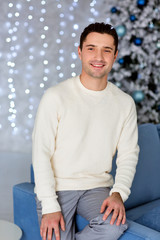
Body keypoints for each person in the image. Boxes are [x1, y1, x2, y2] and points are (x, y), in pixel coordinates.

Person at [32, 22, 139, 240]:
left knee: (113, 226)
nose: (99, 57)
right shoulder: (55, 96)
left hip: (98, 188)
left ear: (115, 55)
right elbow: (40, 152)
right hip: (59, 187)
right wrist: (49, 204)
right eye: (91, 48)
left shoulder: (125, 103)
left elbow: (129, 154)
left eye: (106, 50)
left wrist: (119, 193)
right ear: (80, 52)